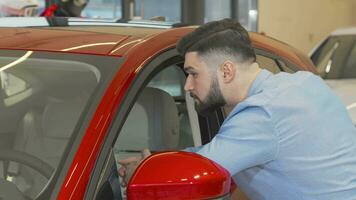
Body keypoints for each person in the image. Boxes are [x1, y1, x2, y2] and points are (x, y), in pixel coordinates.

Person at [118, 18, 356, 199]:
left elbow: (201, 167)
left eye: (193, 74)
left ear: (226, 71)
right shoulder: (305, 82)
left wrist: (142, 170)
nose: (187, 86)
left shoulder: (262, 113)